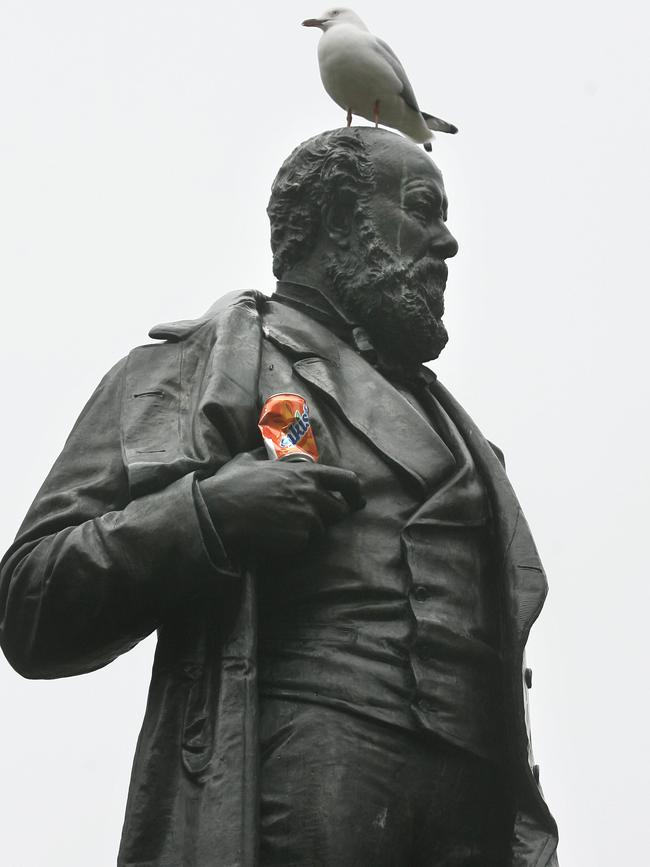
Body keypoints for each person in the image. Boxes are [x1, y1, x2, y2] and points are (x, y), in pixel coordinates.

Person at [0, 127, 558, 867]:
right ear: (335, 219)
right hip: (303, 775)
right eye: (423, 209)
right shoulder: (197, 366)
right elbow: (31, 600)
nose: (447, 242)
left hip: (478, 809)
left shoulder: (464, 436)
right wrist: (210, 517)